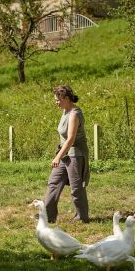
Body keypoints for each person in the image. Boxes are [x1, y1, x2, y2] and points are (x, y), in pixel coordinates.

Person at [44, 85, 90, 223]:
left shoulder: (74, 114)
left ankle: (82, 217)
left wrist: (58, 157)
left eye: (58, 99)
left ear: (67, 98)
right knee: (53, 182)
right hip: (64, 153)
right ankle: (48, 216)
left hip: (76, 154)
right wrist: (60, 154)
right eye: (56, 99)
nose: (56, 102)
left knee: (76, 188)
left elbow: (70, 139)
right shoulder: (65, 110)